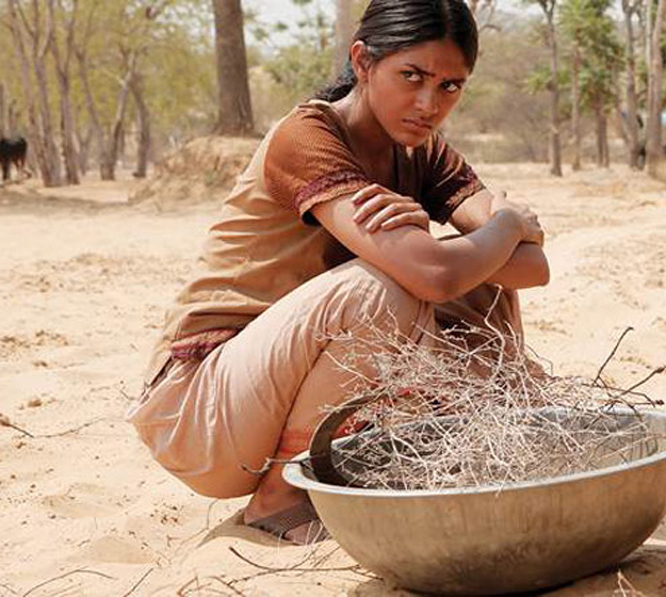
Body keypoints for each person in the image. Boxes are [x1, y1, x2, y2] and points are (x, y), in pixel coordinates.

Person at [126, 0, 549, 544]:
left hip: (282, 396)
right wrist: (506, 223)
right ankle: (281, 497)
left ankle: (469, 440)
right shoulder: (306, 137)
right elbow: (434, 276)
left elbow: (531, 269)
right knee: (384, 287)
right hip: (202, 409)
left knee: (483, 284)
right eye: (411, 76)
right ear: (363, 61)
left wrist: (481, 237)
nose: (428, 103)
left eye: (450, 86)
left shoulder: (423, 152)